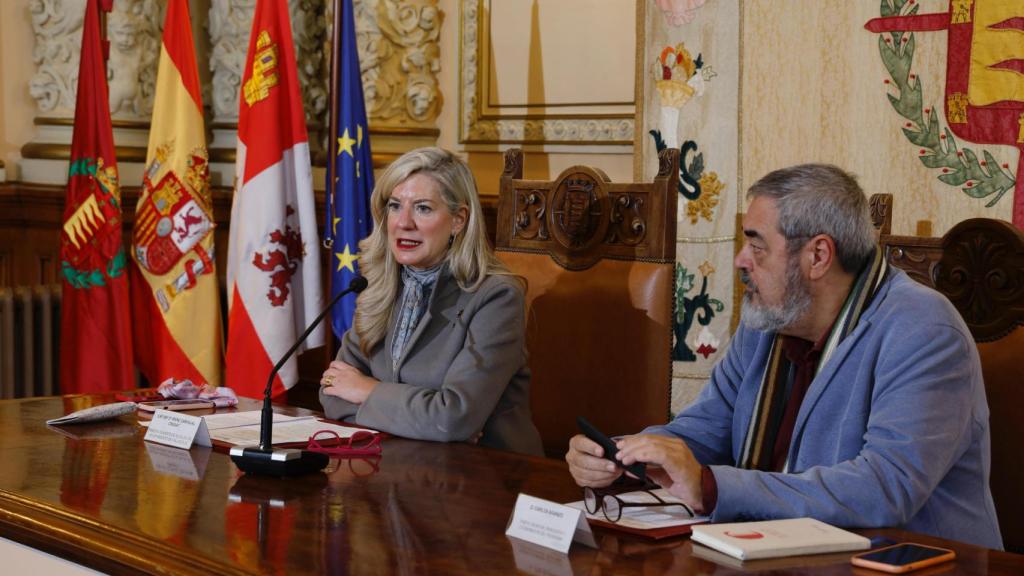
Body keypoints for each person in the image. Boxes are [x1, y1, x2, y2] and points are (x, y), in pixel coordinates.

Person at [566, 164, 1003, 549]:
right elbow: (705, 429)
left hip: (912, 561)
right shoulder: (768, 320)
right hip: (782, 554)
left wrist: (712, 486)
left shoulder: (924, 330)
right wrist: (624, 454)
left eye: (757, 246)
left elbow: (884, 489)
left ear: (817, 255)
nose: (740, 260)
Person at [319, 147, 543, 456]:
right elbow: (331, 389)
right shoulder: (381, 285)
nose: (403, 222)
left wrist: (366, 390)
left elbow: (452, 419)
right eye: (395, 206)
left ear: (458, 220)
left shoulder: (496, 297)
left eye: (423, 208)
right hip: (395, 468)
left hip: (484, 477)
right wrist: (425, 421)